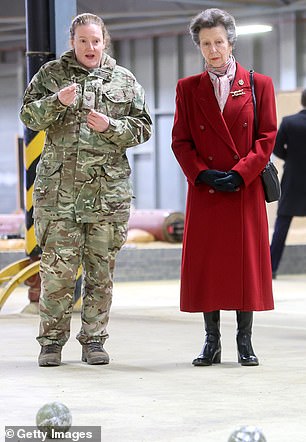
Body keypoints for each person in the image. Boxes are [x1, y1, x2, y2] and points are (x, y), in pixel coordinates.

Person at [20, 13, 152, 367]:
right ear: (72, 42)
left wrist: (111, 126)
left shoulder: (123, 80)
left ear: (104, 41)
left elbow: (143, 129)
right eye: (82, 41)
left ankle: (94, 341)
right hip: (58, 195)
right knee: (57, 273)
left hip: (107, 196)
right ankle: (51, 342)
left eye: (95, 41)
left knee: (100, 273)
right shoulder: (50, 76)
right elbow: (28, 116)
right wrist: (56, 102)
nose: (89, 47)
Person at [171, 8, 277, 367]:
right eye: (206, 43)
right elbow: (181, 141)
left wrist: (242, 173)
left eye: (218, 41)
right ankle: (211, 341)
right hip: (207, 191)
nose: (213, 49)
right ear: (198, 47)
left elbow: (266, 137)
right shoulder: (187, 89)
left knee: (244, 266)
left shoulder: (258, 84)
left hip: (244, 191)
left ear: (231, 41)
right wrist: (201, 174)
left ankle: (244, 342)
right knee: (208, 267)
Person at [270, 89, 306, 278]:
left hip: (293, 178)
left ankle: (271, 268)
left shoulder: (289, 122)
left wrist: (290, 158)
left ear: (302, 101)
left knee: (282, 224)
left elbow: (276, 148)